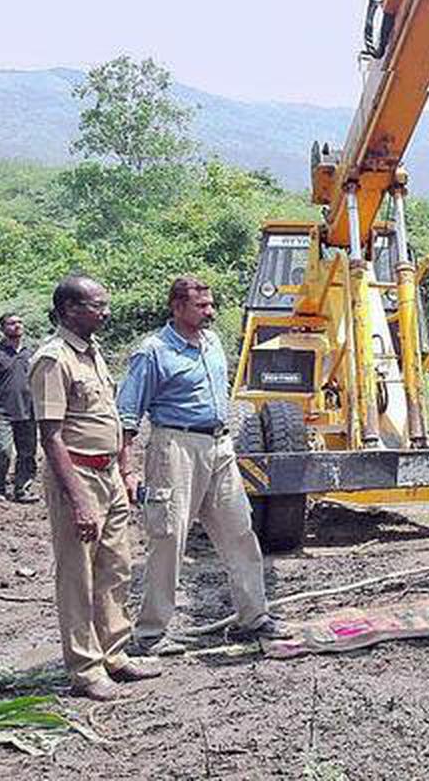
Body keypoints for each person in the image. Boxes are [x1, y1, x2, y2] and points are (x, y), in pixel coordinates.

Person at [117, 277, 290, 655]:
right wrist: (126, 470)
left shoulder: (211, 342)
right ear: (177, 307)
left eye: (211, 305)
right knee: (169, 537)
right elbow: (127, 415)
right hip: (175, 446)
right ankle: (150, 633)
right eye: (202, 306)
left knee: (240, 532)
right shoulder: (153, 352)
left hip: (219, 445)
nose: (210, 312)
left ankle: (253, 617)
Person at [30, 276, 161, 700]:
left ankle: (114, 653)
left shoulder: (93, 353)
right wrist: (80, 498)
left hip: (107, 475)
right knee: (78, 575)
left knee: (116, 567)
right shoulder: (53, 360)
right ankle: (86, 670)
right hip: (78, 478)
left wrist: (123, 471)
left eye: (105, 304)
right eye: (96, 305)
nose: (105, 312)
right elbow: (51, 437)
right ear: (69, 309)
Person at [0, 313, 39, 502]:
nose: (17, 326)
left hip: (29, 411)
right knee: (3, 451)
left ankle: (22, 489)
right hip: (2, 411)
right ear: (3, 329)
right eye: (12, 323)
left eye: (19, 322)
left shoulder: (31, 353)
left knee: (27, 453)